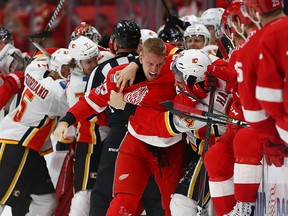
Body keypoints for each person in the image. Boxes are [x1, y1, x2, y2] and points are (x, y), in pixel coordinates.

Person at [55, 21, 164, 216]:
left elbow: (92, 103)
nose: (154, 68)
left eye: (157, 64)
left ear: (114, 43)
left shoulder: (108, 69)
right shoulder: (164, 66)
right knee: (154, 198)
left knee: (107, 194)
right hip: (153, 137)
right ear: (140, 46)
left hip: (123, 135)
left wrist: (67, 119)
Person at [106, 49, 232, 216]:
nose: (174, 83)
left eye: (179, 79)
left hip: (214, 152)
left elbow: (163, 127)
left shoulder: (197, 108)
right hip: (207, 149)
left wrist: (126, 107)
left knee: (181, 206)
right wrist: (136, 63)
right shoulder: (214, 68)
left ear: (193, 80)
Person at [0, 48, 70, 216]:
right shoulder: (56, 94)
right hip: (19, 145)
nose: (70, 73)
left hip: (22, 143)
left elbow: (42, 58)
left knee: (46, 201)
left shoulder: (34, 69)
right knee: (2, 197)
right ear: (58, 68)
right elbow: (80, 107)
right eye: (68, 69)